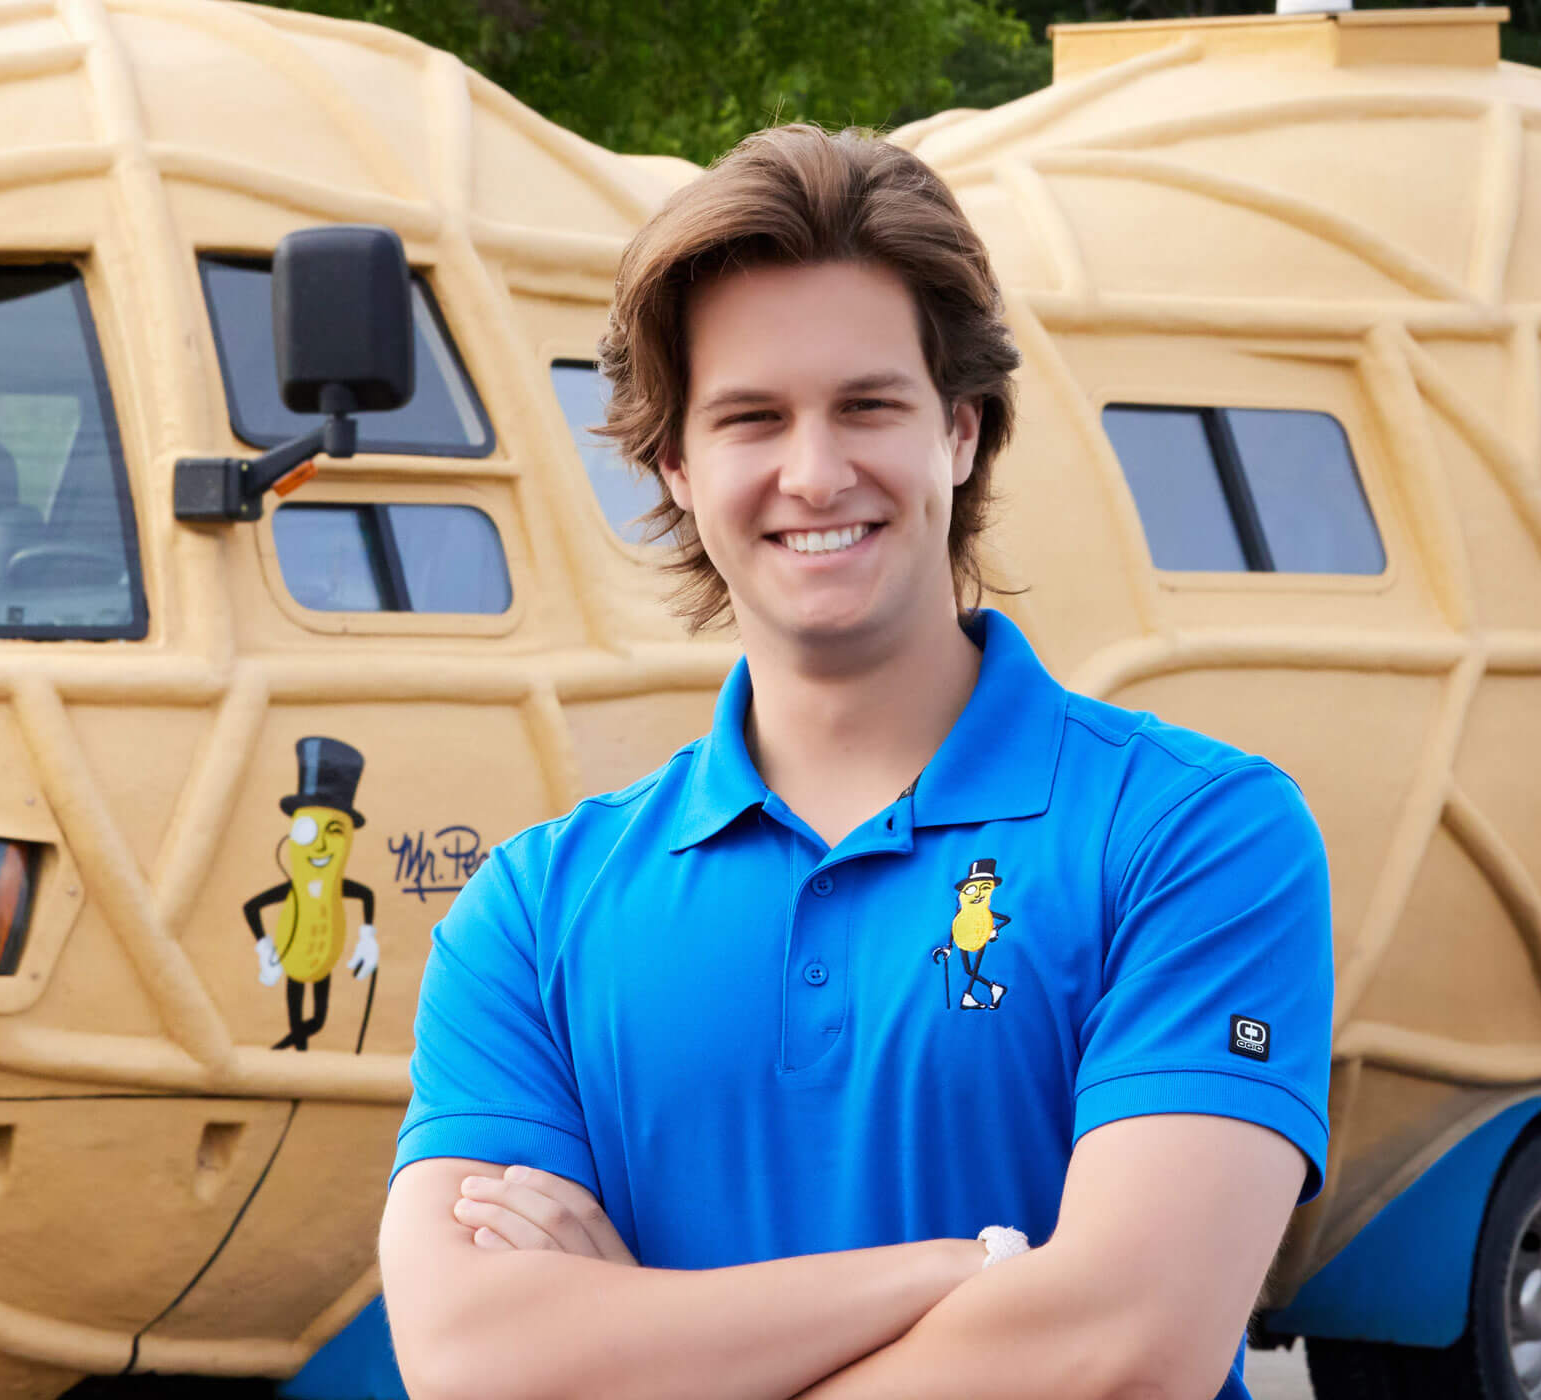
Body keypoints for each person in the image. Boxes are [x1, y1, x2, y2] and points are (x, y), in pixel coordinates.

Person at [379, 123, 1333, 1400]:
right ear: (675, 462)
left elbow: (1122, 1348)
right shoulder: (531, 912)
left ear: (961, 428)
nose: (813, 472)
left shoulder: (1197, 835)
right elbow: (471, 1358)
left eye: (867, 405)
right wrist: (967, 1270)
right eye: (751, 417)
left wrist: (635, 1346)